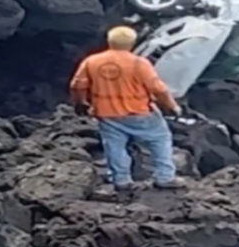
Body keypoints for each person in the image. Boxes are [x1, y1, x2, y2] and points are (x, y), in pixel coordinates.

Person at [69, 26, 185, 199]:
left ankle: (121, 180)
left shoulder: (92, 61)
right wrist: (171, 106)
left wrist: (81, 104)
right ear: (132, 43)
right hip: (139, 113)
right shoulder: (139, 63)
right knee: (159, 139)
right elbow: (158, 89)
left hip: (107, 114)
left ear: (109, 41)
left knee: (114, 146)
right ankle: (164, 177)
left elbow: (77, 85)